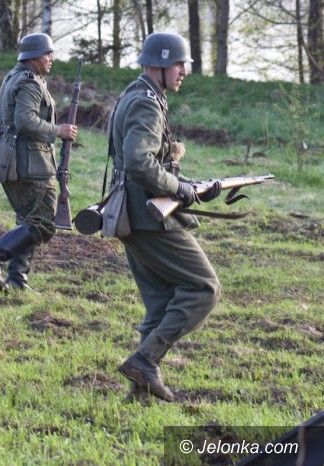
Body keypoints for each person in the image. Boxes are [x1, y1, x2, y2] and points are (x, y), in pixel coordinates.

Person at [111, 32, 222, 401]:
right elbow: (138, 162)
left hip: (132, 214)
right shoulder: (146, 103)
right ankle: (144, 360)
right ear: (159, 64)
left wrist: (192, 187)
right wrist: (177, 188)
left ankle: (138, 394)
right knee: (204, 287)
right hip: (149, 217)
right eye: (179, 64)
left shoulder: (134, 94)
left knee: (159, 304)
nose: (184, 71)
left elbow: (150, 164)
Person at [0, 33, 77, 292]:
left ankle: (18, 280)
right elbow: (25, 120)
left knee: (28, 220)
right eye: (47, 54)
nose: (51, 58)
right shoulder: (30, 83)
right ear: (34, 57)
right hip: (30, 164)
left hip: (11, 161)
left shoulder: (13, 76)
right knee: (43, 223)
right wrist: (58, 130)